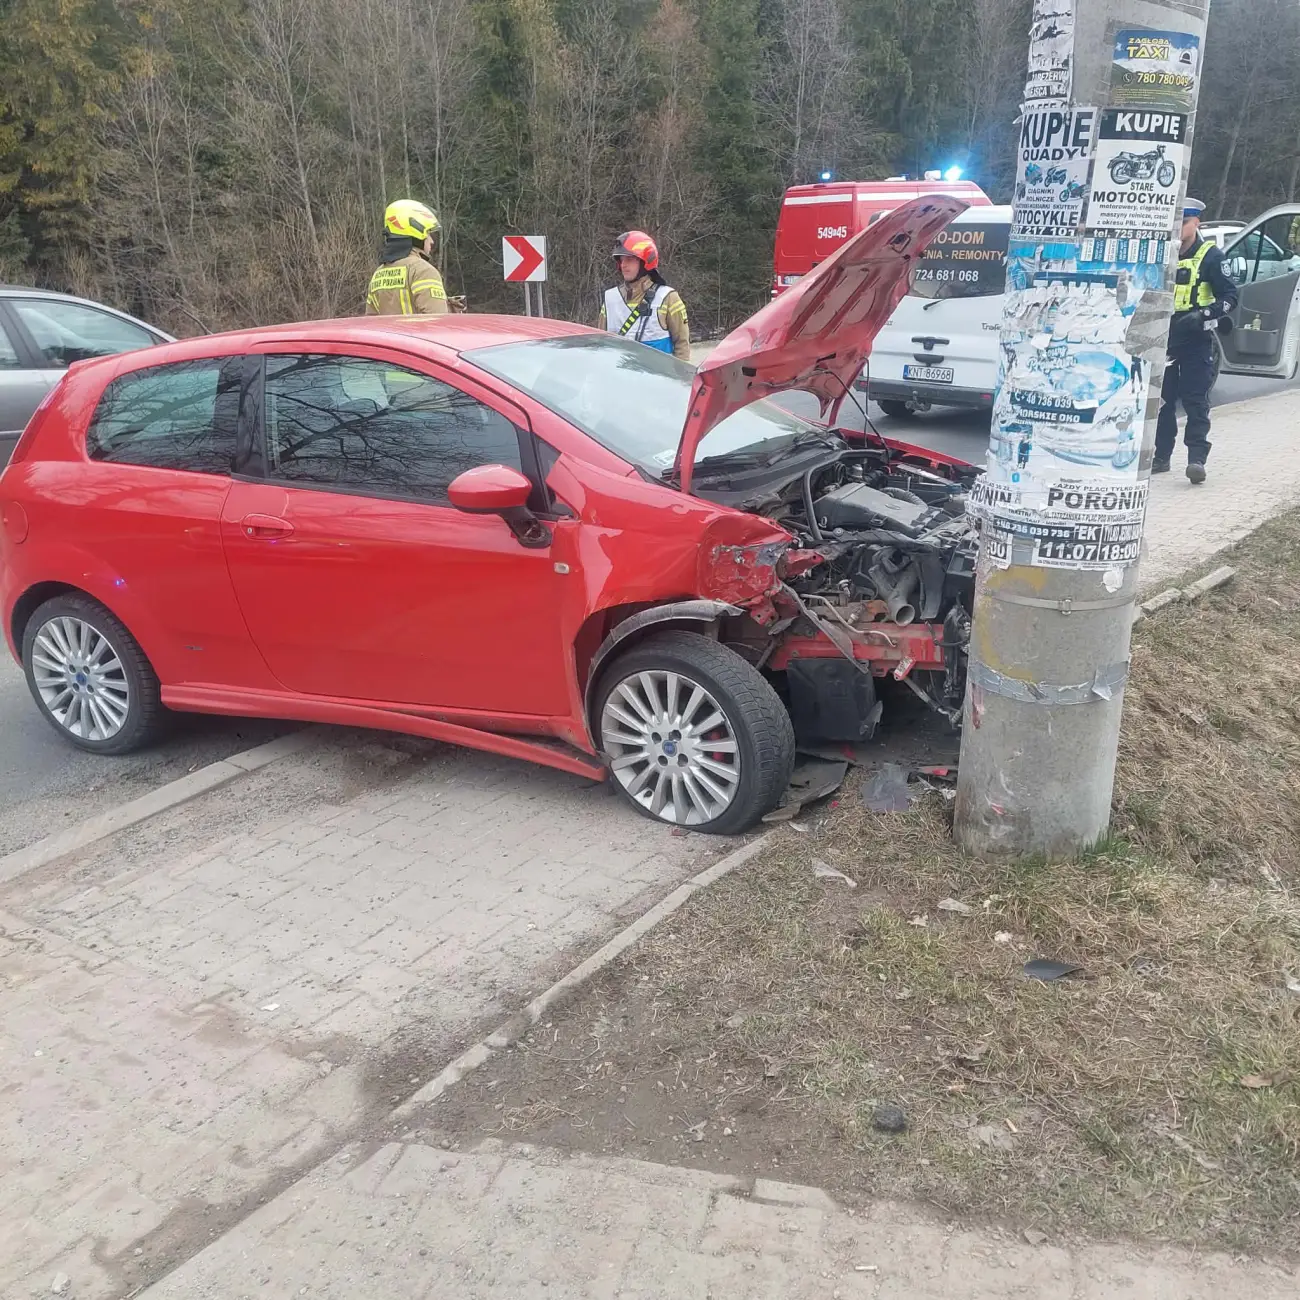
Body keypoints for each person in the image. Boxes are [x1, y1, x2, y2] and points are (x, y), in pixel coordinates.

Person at [1154, 199, 1239, 484]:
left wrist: (1205, 314)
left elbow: (1231, 296)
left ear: (1196, 223)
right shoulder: (1163, 254)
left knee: (1195, 400)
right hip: (1166, 336)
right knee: (1162, 401)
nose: (1179, 228)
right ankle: (1161, 456)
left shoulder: (1211, 256)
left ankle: (1196, 460)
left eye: (1185, 222)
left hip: (1197, 337)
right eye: (1175, 222)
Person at [598, 231, 690, 361]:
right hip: (618, 379)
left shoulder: (668, 298)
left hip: (657, 379)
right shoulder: (610, 299)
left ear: (646, 261)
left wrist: (680, 378)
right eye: (621, 260)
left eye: (629, 259)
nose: (623, 265)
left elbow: (682, 346)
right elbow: (601, 344)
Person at [365, 200, 462, 316]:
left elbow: (371, 322)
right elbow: (438, 324)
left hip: (388, 334)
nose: (431, 241)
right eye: (428, 234)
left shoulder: (378, 274)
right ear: (417, 232)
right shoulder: (423, 271)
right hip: (417, 334)